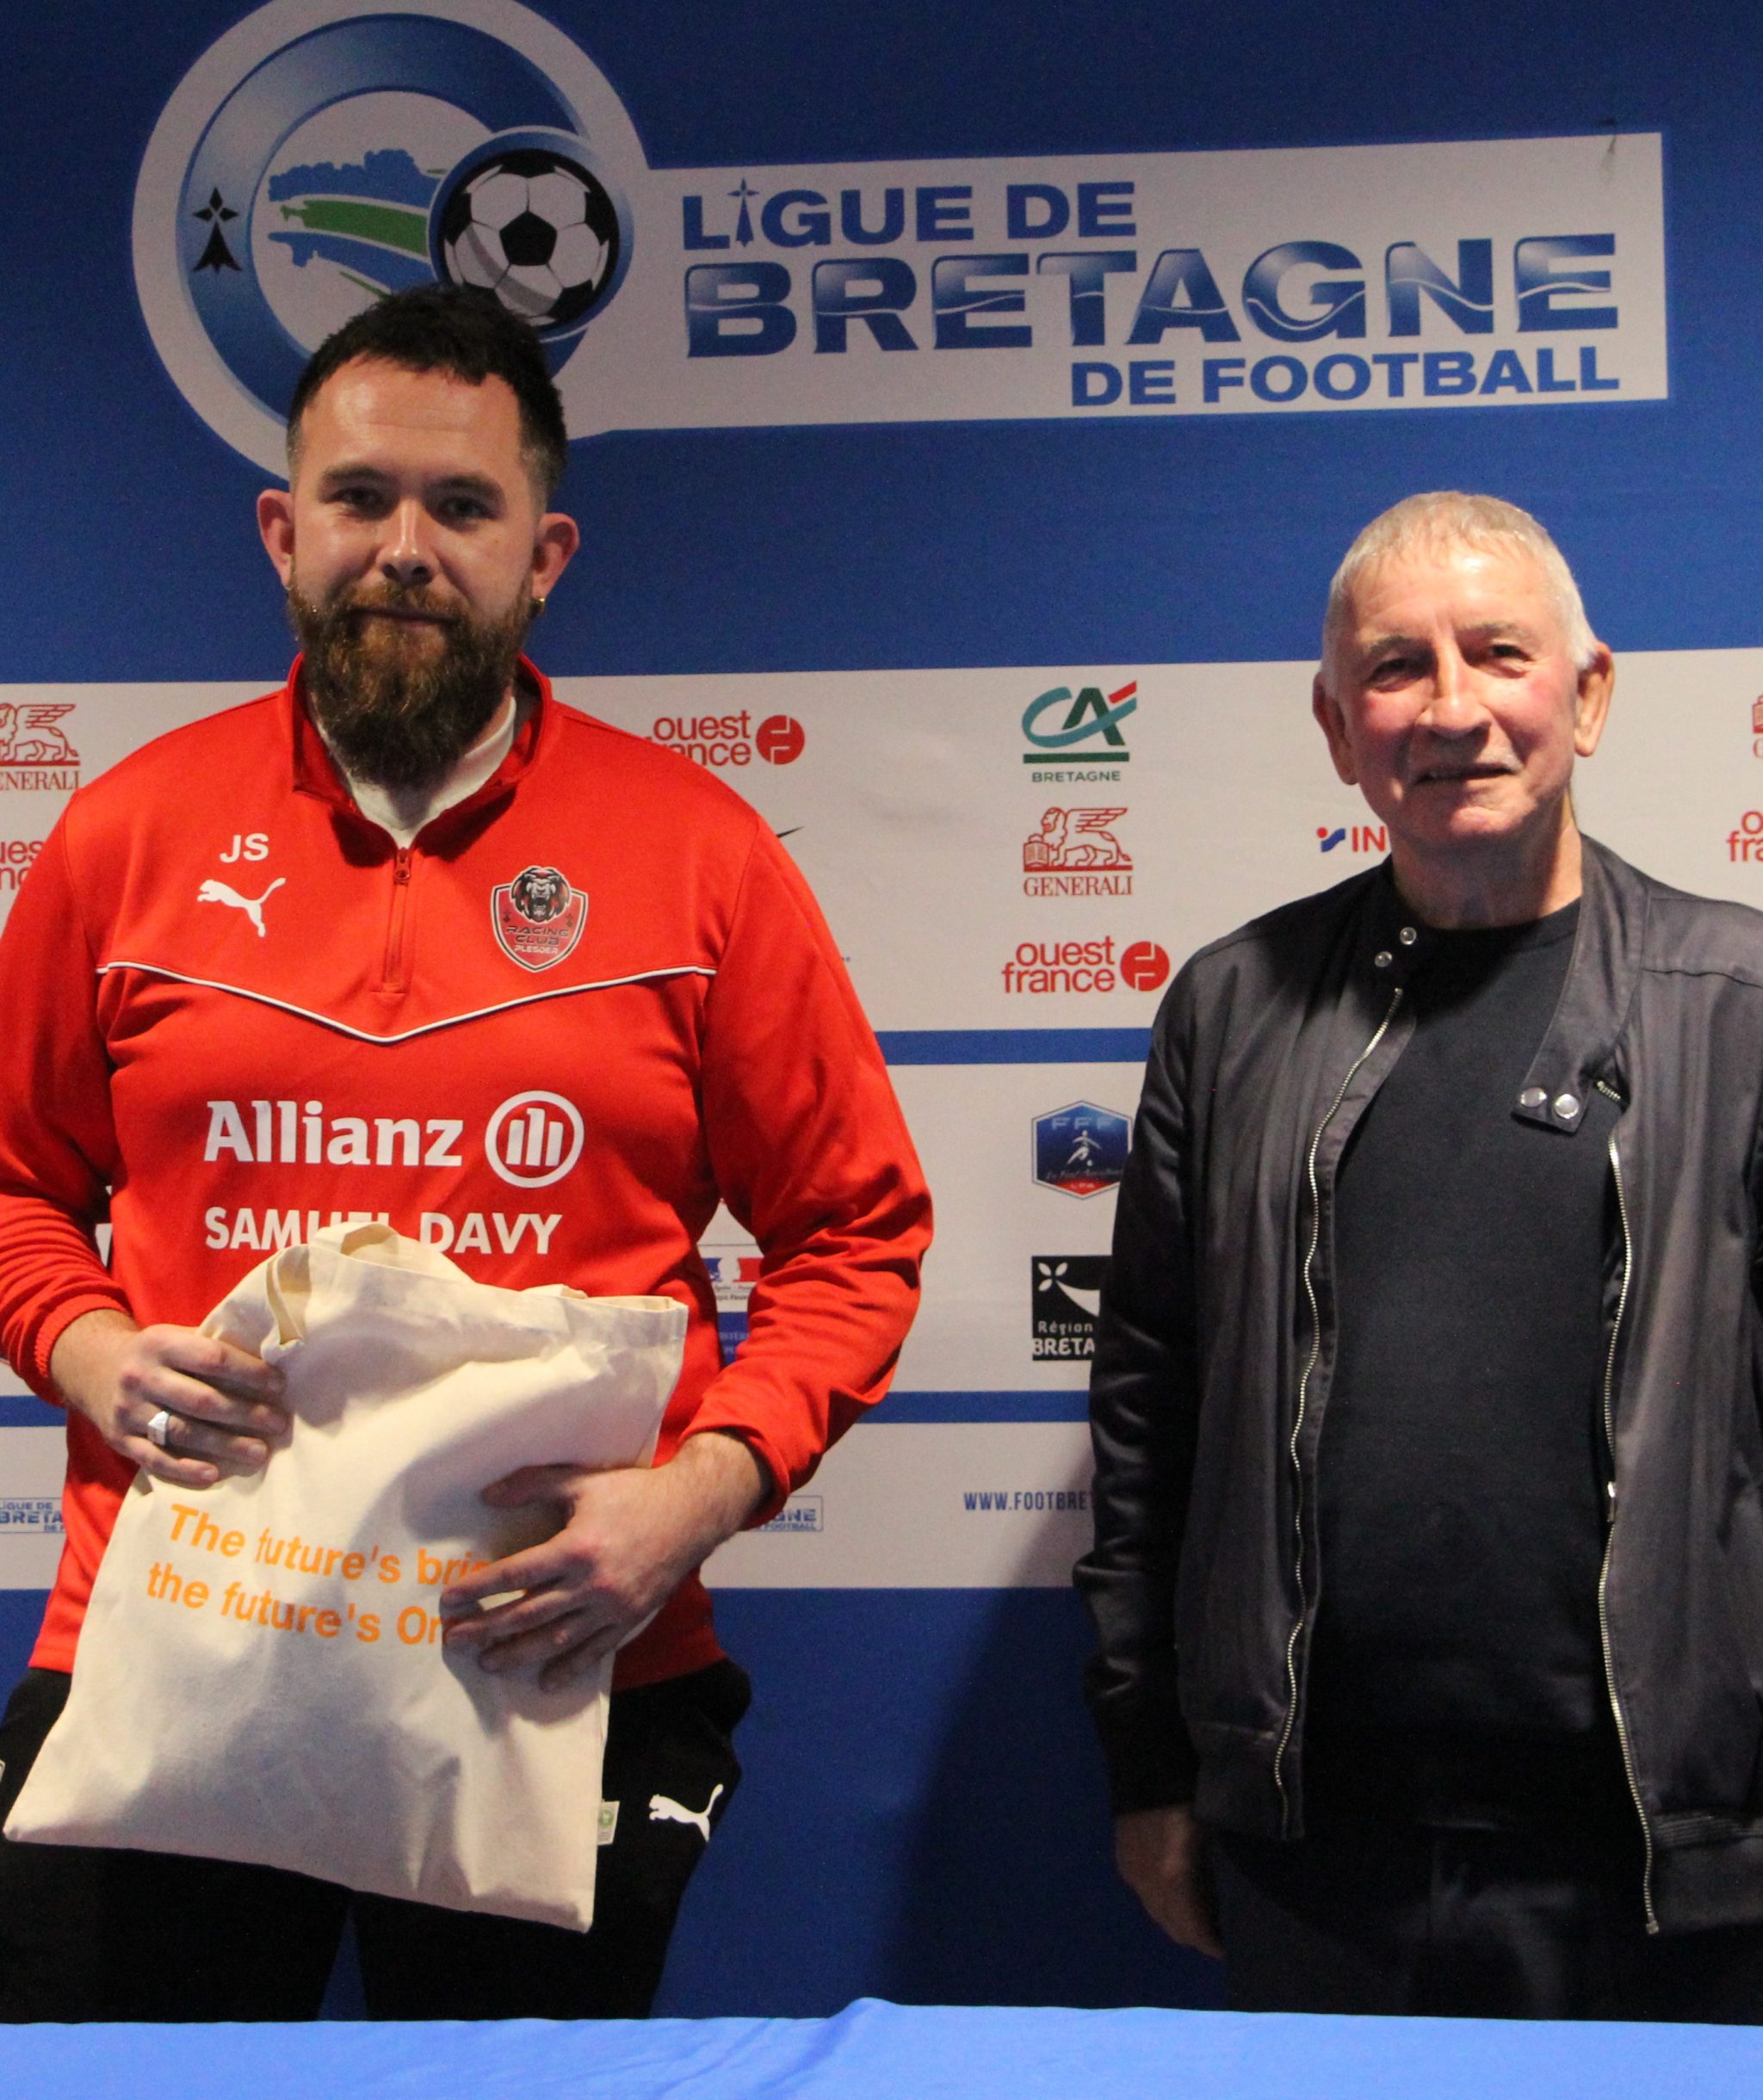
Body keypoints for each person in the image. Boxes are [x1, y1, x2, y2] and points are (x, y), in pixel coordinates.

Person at [0, 284, 931, 2021]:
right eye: (359, 499)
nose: (405, 550)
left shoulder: (700, 854)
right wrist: (88, 1344)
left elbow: (855, 1236)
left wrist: (699, 1491)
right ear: (283, 530)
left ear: (544, 553)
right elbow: (10, 1185)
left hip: (561, 1658)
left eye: (463, 506)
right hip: (173, 1640)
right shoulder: (128, 836)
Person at [1077, 491, 1763, 2021]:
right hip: (1316, 1847)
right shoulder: (1232, 1010)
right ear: (1339, 728)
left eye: (1499, 653)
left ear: (1588, 693)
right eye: (1397, 668)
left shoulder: (1738, 1004)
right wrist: (1151, 1766)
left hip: (1667, 1854)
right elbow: (1148, 1417)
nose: (1453, 709)